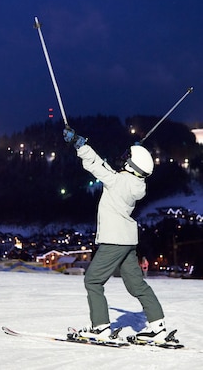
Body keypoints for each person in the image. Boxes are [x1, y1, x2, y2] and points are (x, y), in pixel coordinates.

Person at [63, 127, 168, 343]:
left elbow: (97, 165)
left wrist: (79, 145)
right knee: (136, 285)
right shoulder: (137, 184)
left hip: (114, 240)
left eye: (127, 158)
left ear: (131, 165)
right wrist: (137, 153)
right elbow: (125, 170)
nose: (123, 160)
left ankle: (100, 327)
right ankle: (158, 327)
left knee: (93, 281)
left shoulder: (118, 181)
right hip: (128, 241)